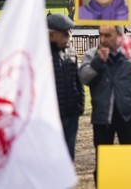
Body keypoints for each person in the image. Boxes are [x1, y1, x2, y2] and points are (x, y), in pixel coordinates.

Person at [78, 25, 131, 182]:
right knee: (103, 162)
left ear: (120, 35)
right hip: (103, 116)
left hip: (129, 116)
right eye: (100, 35)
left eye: (107, 35)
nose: (102, 39)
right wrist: (98, 63)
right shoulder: (92, 55)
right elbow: (84, 77)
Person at [47, 13, 84, 161]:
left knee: (68, 156)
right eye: (65, 33)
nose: (69, 36)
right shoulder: (40, 55)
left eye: (70, 32)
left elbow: (78, 80)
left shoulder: (71, 52)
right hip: (50, 118)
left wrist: (79, 106)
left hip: (71, 115)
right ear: (52, 35)